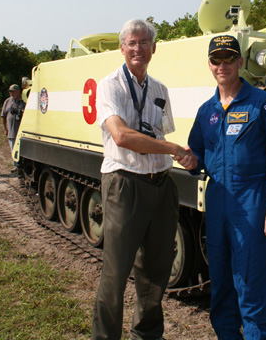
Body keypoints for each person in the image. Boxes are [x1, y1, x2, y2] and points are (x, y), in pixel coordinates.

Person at [177, 35, 266, 340]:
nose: (222, 66)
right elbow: (198, 153)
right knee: (221, 286)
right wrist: (191, 163)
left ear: (240, 63)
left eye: (229, 59)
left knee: (252, 285)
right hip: (217, 203)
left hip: (252, 204)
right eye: (216, 60)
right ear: (209, 65)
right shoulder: (207, 111)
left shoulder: (264, 104)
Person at [92, 19, 195, 340]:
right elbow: (121, 136)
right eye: (132, 43)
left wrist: (185, 152)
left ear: (153, 48)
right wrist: (174, 149)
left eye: (144, 43)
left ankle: (147, 333)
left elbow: (159, 131)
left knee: (157, 268)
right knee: (116, 272)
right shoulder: (110, 86)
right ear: (122, 48)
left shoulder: (160, 89)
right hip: (125, 183)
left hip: (161, 184)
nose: (138, 49)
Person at [1, 84, 26, 172]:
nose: (12, 93)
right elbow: (3, 115)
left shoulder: (24, 101)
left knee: (22, 150)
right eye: (10, 91)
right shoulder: (7, 101)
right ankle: (16, 166)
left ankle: (22, 167)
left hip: (22, 132)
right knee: (13, 150)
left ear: (18, 91)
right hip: (11, 131)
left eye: (13, 91)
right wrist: (4, 128)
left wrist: (20, 112)